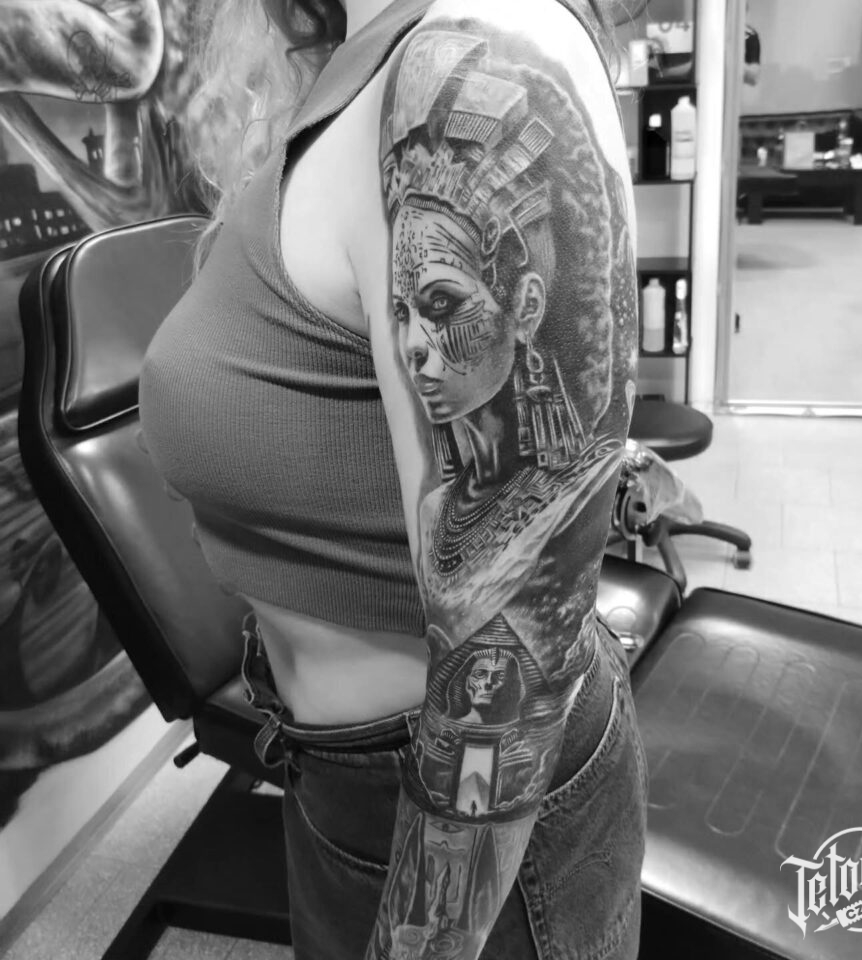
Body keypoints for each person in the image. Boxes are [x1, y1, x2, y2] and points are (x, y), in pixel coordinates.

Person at [138, 0, 647, 957]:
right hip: (337, 776)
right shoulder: (355, 67)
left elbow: (506, 680)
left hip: (453, 817)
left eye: (441, 305)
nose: (416, 344)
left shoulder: (468, 52)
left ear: (521, 297)